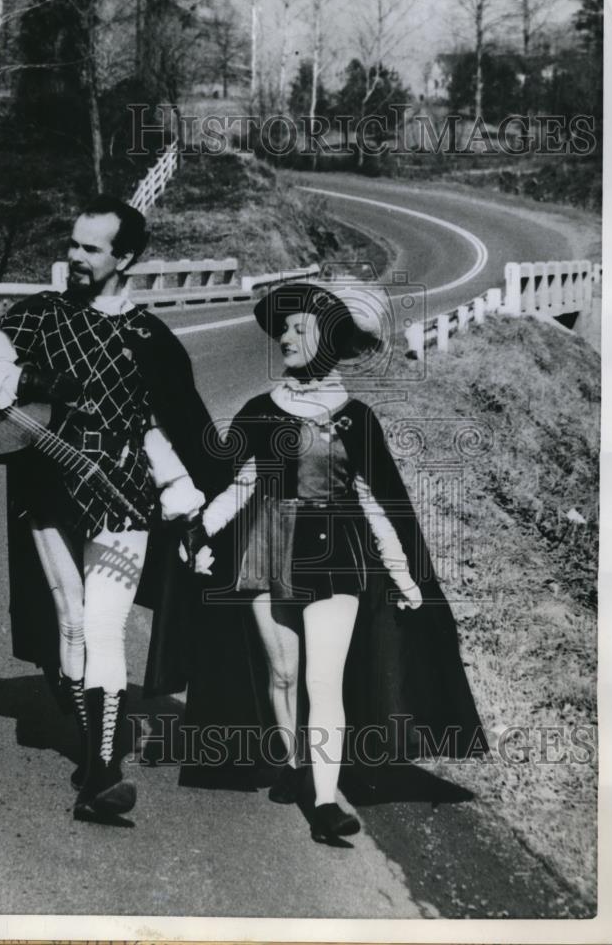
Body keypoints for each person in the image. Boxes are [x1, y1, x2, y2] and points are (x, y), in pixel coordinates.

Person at [0, 194, 223, 826]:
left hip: (124, 495)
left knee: (103, 627)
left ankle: (100, 774)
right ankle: (88, 736)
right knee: (70, 620)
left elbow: (170, 429)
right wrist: (33, 383)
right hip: (47, 492)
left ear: (124, 258)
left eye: (90, 248)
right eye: (72, 243)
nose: (74, 256)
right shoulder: (38, 316)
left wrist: (196, 505)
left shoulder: (150, 337)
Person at [187, 281, 487, 844]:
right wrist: (203, 531)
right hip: (266, 549)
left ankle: (325, 800)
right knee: (283, 675)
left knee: (325, 682)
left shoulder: (357, 418)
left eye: (299, 327)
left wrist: (404, 578)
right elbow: (242, 484)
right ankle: (296, 767)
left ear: (328, 338)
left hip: (338, 557)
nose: (285, 337)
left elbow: (378, 503)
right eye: (283, 327)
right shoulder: (258, 411)